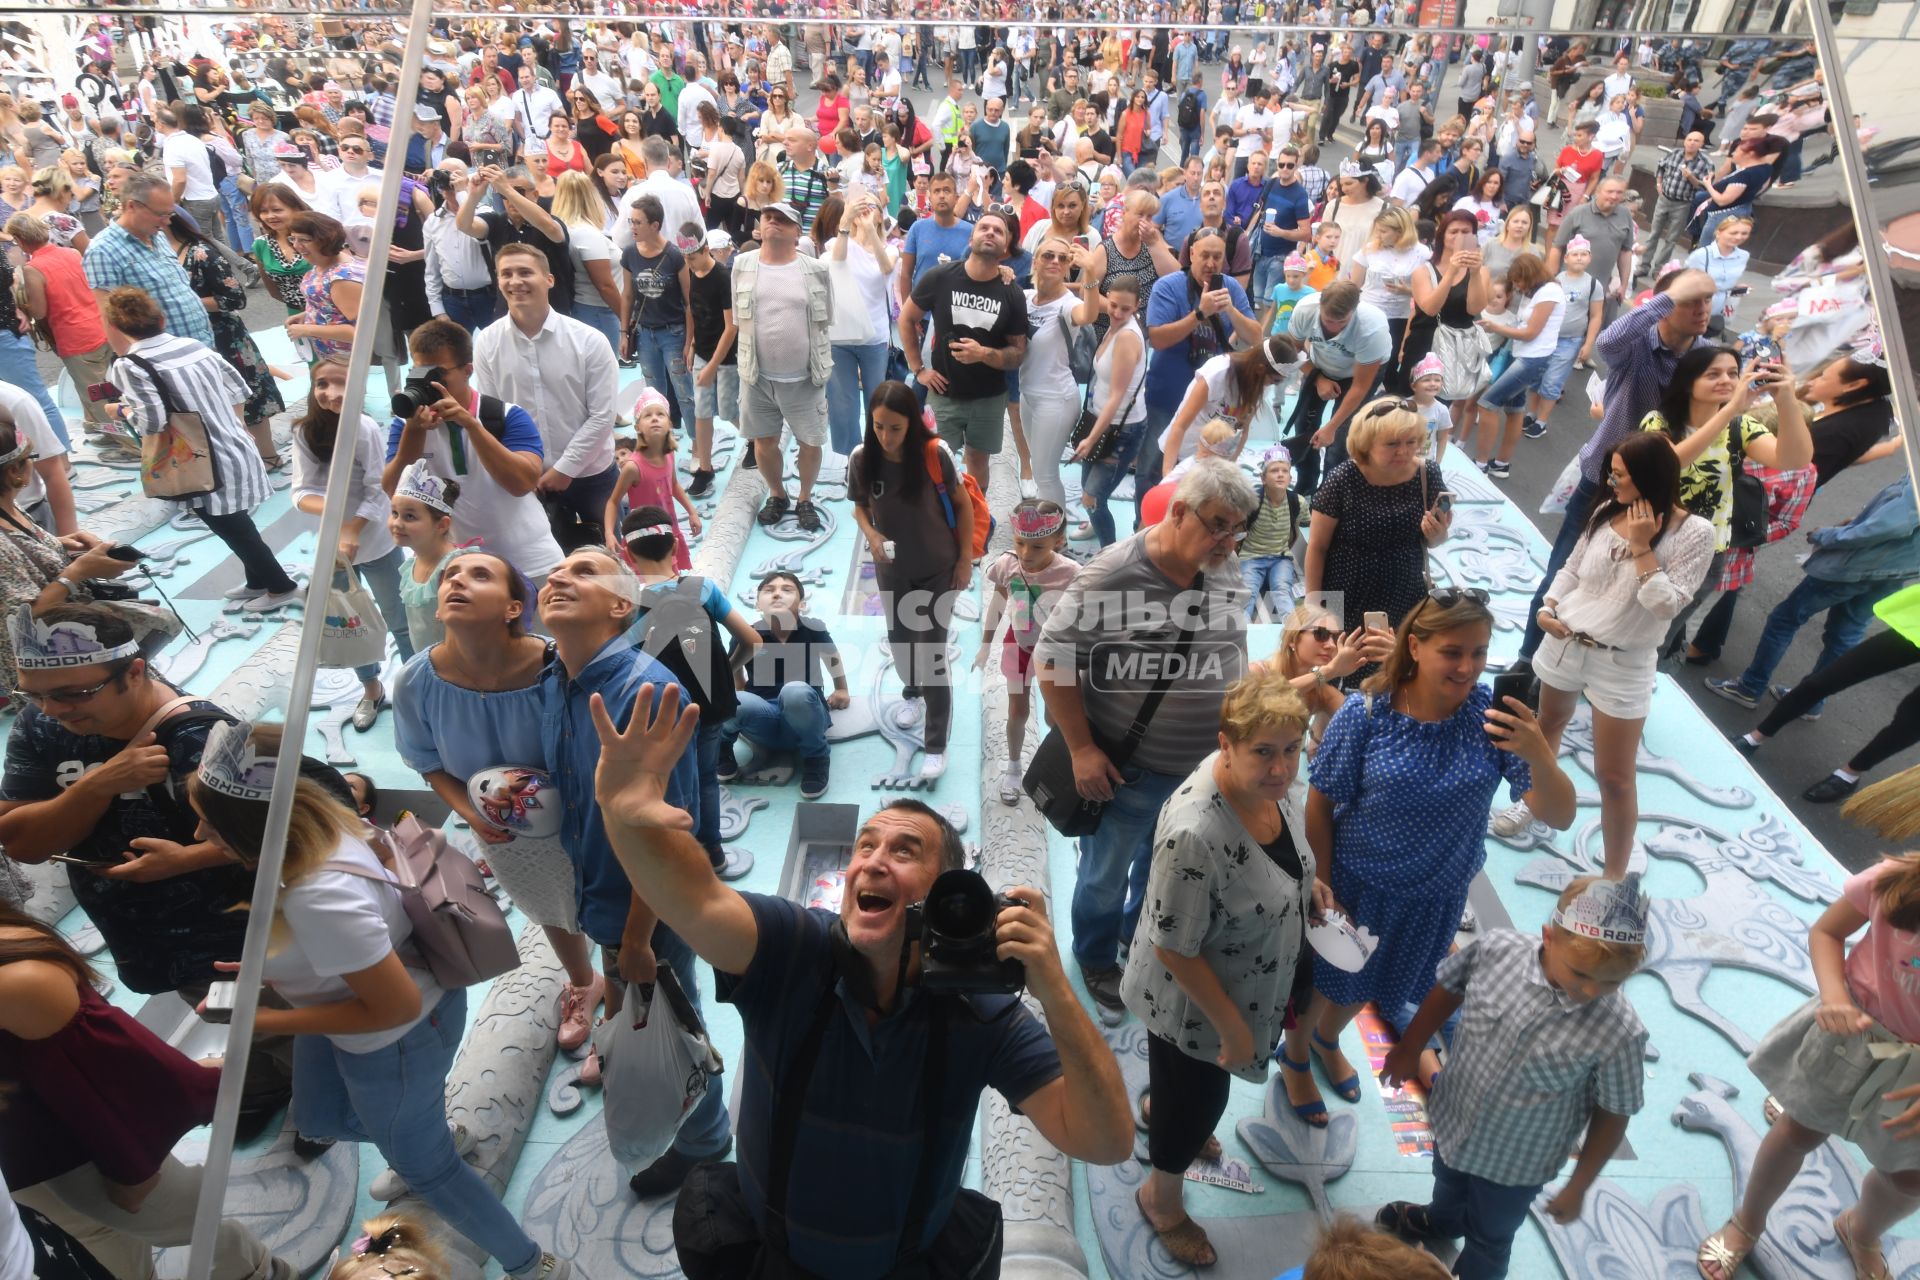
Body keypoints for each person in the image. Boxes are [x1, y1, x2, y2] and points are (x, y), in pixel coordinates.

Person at [584, 684, 1131, 1277]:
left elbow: (1103, 1141)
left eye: (904, 850)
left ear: (947, 890)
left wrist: (1054, 988)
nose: (871, 860)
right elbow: (693, 896)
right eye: (865, 846)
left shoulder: (981, 1013)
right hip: (772, 1260)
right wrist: (624, 814)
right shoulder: (794, 952)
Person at [184, 721, 573, 1279]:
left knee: (431, 1172)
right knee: (317, 1115)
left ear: (253, 828)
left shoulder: (319, 897)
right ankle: (430, 1134)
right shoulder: (327, 832)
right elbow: (351, 944)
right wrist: (273, 970)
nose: (198, 836)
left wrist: (262, 1017)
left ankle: (533, 1263)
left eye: (209, 822)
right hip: (390, 1013)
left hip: (395, 1038)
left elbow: (391, 1006)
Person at [1296, 592, 1575, 1119]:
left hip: (1435, 899)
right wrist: (1325, 887)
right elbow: (1319, 803)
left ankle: (1326, 1042)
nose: (1468, 667)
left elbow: (1558, 814)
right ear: (1417, 647)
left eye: (1479, 652)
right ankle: (1298, 1051)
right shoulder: (1367, 713)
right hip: (1358, 890)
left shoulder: (1493, 719)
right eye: (1453, 652)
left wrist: (1538, 750)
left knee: (1379, 985)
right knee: (1328, 982)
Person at [536, 547, 736, 1197]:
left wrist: (638, 939)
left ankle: (708, 1145)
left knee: (674, 1029)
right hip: (604, 903)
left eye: (585, 571)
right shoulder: (555, 682)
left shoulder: (644, 690)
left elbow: (663, 826)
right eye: (557, 570)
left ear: (623, 606)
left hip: (642, 912)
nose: (560, 576)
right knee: (638, 1024)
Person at [1034, 459, 1255, 1014]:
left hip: (1201, 770)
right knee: (1106, 874)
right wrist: (1082, 749)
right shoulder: (1114, 575)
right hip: (1130, 769)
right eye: (1218, 525)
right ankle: (1095, 957)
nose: (1229, 541)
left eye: (1238, 528)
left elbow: (1230, 641)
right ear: (1179, 511)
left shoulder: (1218, 560)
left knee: (1167, 866)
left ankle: (1139, 940)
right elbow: (1051, 659)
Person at [1125, 668, 1324, 1266]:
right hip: (1199, 1005)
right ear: (1226, 745)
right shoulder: (1196, 833)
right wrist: (1233, 1030)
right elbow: (1173, 948)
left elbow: (1281, 856)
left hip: (1252, 972)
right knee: (1200, 1100)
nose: (1283, 768)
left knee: (1181, 1092)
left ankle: (1163, 1107)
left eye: (1292, 749)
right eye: (1264, 752)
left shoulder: (1264, 786)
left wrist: (1309, 888)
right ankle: (1161, 1195)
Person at [392, 545, 606, 1063]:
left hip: (587, 814)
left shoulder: (560, 667)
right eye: (450, 576)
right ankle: (584, 982)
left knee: (608, 905)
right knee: (548, 906)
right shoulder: (417, 683)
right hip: (502, 830)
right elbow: (427, 761)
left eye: (480, 574)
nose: (456, 581)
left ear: (514, 607)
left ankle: (626, 996)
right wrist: (470, 815)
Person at [0, 902, 291, 1280]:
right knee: (97, 1241)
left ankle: (261, 1272)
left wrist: (133, 1173)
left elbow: (106, 1085)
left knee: (188, 1219)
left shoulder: (19, 980)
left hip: (81, 1153)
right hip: (28, 1156)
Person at [1377, 877, 1649, 1280]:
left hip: (1517, 1167)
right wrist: (1410, 1045)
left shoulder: (1621, 1032)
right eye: (1579, 973)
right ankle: (1441, 1223)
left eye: (1611, 981)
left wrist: (1580, 1184)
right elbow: (1448, 988)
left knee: (1491, 1237)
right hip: (1454, 1121)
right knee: (1447, 1184)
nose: (1592, 990)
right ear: (1549, 937)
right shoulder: (1495, 950)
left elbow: (1615, 1112)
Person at [1696, 843, 1920, 1280]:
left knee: (1910, 1179)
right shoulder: (1893, 881)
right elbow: (1828, 932)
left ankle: (1862, 1230)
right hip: (1851, 1037)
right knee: (1799, 1129)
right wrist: (1835, 997)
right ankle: (1748, 1221)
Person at [1508, 433, 1715, 875]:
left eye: (1619, 474)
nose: (1610, 481)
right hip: (1565, 641)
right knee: (1546, 729)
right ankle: (1533, 802)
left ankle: (1614, 876)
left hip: (1624, 661)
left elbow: (1665, 605)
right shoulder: (1606, 511)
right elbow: (1571, 570)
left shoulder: (1696, 533)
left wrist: (1642, 548)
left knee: (1616, 778)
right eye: (1611, 472)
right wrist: (1547, 608)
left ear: (1649, 477)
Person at [1515, 269, 1719, 669]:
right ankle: (1528, 658)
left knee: (1631, 584)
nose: (1702, 309)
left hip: (1665, 493)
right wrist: (1667, 296)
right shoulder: (1639, 345)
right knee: (1565, 571)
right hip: (1604, 482)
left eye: (1707, 299)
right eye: (1691, 300)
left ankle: (1594, 667)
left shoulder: (1706, 359)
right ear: (1666, 304)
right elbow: (1608, 341)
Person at [98, 287, 297, 610]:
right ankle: (258, 580)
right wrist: (230, 425)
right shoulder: (193, 346)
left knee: (233, 528)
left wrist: (121, 412)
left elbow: (152, 422)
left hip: (200, 461)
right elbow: (239, 389)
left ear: (118, 328)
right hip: (235, 446)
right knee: (237, 520)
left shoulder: (130, 366)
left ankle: (280, 586)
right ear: (161, 318)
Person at [1638, 345, 1813, 657]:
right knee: (1624, 613)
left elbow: (1794, 458)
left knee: (1661, 633)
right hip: (1649, 536)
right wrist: (1731, 409)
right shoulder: (1658, 421)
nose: (1727, 380)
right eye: (1713, 374)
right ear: (1688, 381)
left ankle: (1629, 688)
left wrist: (1786, 399)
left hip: (1706, 551)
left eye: (1733, 373)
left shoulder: (1741, 428)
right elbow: (1669, 464)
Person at [1706, 473, 1917, 714]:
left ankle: (1750, 687)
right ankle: (1810, 701)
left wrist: (1827, 535)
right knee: (1844, 635)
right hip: (1893, 572)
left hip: (1856, 564)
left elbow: (1889, 524)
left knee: (1785, 619)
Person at [849, 381, 971, 783]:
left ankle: (936, 745)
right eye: (879, 426)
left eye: (895, 428)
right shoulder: (863, 458)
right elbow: (860, 508)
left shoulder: (934, 455)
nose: (886, 436)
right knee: (902, 645)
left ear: (912, 425)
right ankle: (911, 692)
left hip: (938, 569)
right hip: (893, 572)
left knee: (931, 652)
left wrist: (965, 560)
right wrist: (872, 535)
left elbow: (962, 504)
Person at [381, 317, 564, 583]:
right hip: (455, 567)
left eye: (438, 375)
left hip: (528, 562)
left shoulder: (506, 416)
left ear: (468, 370)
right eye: (418, 373)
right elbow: (393, 490)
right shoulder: (406, 427)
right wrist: (414, 430)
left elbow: (523, 483)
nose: (427, 384)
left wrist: (471, 425)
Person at [292, 354, 414, 730]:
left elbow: (380, 489)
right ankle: (371, 688)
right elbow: (301, 491)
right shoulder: (304, 432)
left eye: (341, 382)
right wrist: (336, 514)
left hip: (375, 542)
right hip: (336, 550)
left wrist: (353, 528)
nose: (331, 392)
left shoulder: (364, 428)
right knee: (351, 622)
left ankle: (416, 685)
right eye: (322, 384)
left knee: (399, 615)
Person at [474, 242, 619, 553]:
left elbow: (602, 416)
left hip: (591, 476)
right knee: (548, 566)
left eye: (525, 272)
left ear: (549, 280)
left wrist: (565, 469)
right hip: (528, 479)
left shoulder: (589, 341)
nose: (515, 282)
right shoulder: (487, 342)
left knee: (612, 562)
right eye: (506, 274)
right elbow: (492, 415)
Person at [1134, 228, 1263, 509]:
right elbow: (1158, 338)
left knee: (1205, 475)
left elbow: (1256, 337)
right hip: (1167, 393)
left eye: (1217, 257)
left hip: (1210, 401)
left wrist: (1231, 311)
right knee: (1150, 469)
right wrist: (1199, 314)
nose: (1210, 263)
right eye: (1204, 255)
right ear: (1191, 254)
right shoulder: (1168, 286)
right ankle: (1144, 526)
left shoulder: (1230, 287)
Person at [900, 209, 1027, 493]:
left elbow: (1019, 353)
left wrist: (984, 354)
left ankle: (975, 520)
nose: (990, 232)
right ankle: (938, 523)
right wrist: (917, 369)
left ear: (1006, 246)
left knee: (978, 464)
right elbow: (906, 318)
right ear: (972, 237)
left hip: (988, 398)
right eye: (984, 227)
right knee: (934, 463)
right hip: (944, 393)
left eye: (999, 230)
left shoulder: (1011, 292)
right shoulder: (940, 277)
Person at [733, 201, 831, 532]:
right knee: (763, 442)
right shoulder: (742, 265)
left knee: (810, 442)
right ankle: (778, 493)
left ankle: (805, 497)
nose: (773, 223)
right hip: (757, 376)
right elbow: (738, 317)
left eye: (782, 220)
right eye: (768, 217)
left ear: (796, 231)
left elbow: (825, 318)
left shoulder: (815, 269)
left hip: (804, 377)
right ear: (760, 226)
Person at [977, 499, 1078, 806]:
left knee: (1055, 716)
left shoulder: (1073, 573)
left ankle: (1052, 765)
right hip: (1018, 646)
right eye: (1020, 543)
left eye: (1037, 547)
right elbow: (997, 604)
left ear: (1058, 541)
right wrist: (985, 644)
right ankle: (1013, 766)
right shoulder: (1007, 565)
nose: (1025, 554)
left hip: (1057, 653)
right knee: (1017, 713)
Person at [722, 570, 850, 798]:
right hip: (765, 720)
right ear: (758, 604)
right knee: (736, 699)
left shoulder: (813, 628)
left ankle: (816, 757)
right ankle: (722, 750)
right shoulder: (747, 633)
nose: (777, 594)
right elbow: (735, 666)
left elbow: (832, 657)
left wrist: (841, 688)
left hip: (805, 715)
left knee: (795, 691)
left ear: (800, 602)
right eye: (769, 590)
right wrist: (740, 686)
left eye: (787, 590)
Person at [5, 214, 111, 439]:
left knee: (96, 395)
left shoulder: (34, 268)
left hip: (76, 336)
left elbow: (39, 311)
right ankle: (104, 430)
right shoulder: (71, 252)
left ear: (19, 240)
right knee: (106, 388)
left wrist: (22, 304)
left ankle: (126, 444)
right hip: (100, 325)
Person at [83, 172, 216, 349]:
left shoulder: (157, 236)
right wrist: (134, 365)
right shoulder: (102, 250)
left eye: (170, 214)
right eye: (161, 214)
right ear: (132, 206)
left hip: (201, 348)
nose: (167, 221)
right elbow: (111, 321)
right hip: (163, 361)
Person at [1469, 254, 1566, 479]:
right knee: (1514, 410)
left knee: (1486, 404)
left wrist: (1496, 328)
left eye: (1520, 281)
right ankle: (1501, 464)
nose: (1518, 287)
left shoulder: (1549, 292)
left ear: (1530, 275)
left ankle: (1481, 463)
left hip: (1533, 359)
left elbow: (1531, 332)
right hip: (1522, 355)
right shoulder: (1535, 291)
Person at [825, 190, 895, 457]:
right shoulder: (837, 243)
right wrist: (845, 223)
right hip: (840, 336)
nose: (866, 211)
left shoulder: (890, 249)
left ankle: (878, 453)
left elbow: (887, 268)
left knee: (877, 401)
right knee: (843, 403)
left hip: (873, 337)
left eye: (872, 206)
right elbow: (837, 263)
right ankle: (852, 457)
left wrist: (872, 233)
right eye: (861, 205)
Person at [286, 211, 366, 361]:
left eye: (304, 240)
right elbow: (333, 308)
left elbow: (359, 332)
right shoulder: (322, 264)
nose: (296, 246)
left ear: (324, 241)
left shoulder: (342, 279)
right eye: (293, 239)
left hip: (345, 360)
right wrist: (307, 315)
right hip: (330, 354)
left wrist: (306, 330)